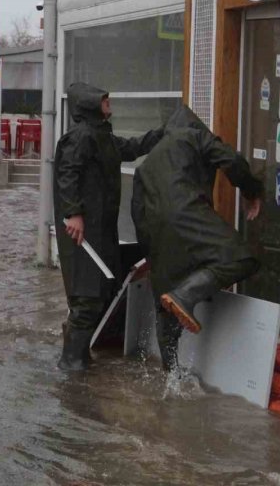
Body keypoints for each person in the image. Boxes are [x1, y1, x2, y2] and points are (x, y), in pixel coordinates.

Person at [131, 105, 264, 372]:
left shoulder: (146, 165)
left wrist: (151, 257)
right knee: (241, 257)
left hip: (156, 232)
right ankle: (187, 294)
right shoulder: (194, 136)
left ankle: (171, 378)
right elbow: (232, 160)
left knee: (164, 306)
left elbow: (137, 211)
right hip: (188, 212)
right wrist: (252, 191)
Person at [54, 82, 164, 370]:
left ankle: (77, 355)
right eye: (104, 100)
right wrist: (73, 213)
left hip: (100, 230)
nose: (109, 103)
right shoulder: (79, 138)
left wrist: (165, 132)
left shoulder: (102, 136)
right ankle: (71, 363)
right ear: (90, 104)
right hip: (83, 234)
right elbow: (67, 175)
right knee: (87, 296)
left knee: (101, 290)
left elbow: (132, 148)